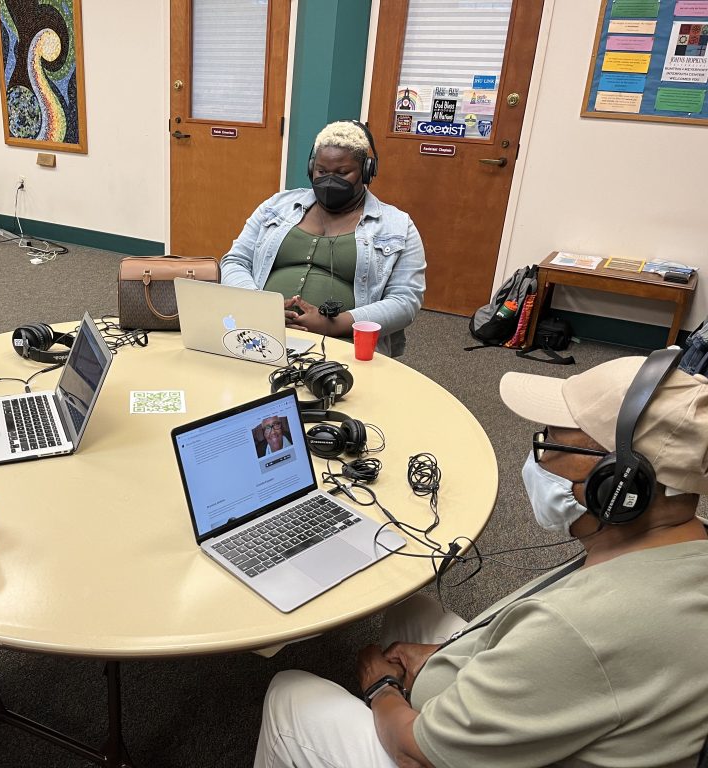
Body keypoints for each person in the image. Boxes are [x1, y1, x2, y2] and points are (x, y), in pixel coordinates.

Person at [254, 351, 708, 767]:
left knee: (288, 694)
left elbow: (421, 754)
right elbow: (556, 656)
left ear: (618, 484)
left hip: (435, 754)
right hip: (583, 691)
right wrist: (441, 657)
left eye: (554, 441)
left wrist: (381, 688)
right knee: (412, 609)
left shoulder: (578, 628)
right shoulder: (685, 539)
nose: (539, 452)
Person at [221, 120, 425, 358]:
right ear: (311, 168)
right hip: (263, 330)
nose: (329, 180)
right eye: (321, 171)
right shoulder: (276, 206)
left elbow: (405, 301)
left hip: (343, 343)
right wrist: (260, 306)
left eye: (342, 173)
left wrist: (337, 323)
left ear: (367, 171)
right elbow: (235, 261)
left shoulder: (397, 225)